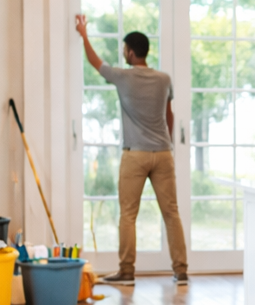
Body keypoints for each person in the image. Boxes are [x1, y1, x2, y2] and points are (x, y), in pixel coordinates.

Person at [75, 15, 189, 286]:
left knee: (128, 215)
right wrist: (167, 144)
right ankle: (181, 271)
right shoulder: (164, 79)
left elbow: (95, 62)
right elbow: (169, 115)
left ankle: (126, 272)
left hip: (135, 154)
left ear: (131, 52)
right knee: (171, 212)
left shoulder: (123, 76)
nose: (123, 53)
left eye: (125, 49)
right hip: (163, 153)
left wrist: (83, 34)